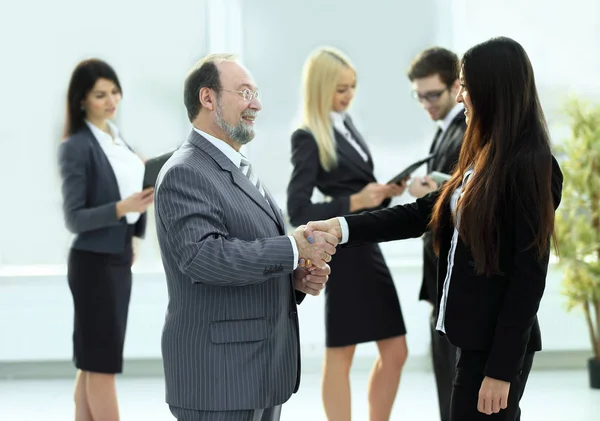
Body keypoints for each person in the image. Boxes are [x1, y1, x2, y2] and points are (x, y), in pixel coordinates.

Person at [302, 37, 563, 421]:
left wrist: (500, 372)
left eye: (467, 87)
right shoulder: (483, 155)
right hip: (468, 336)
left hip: (493, 350)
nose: (461, 98)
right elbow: (420, 213)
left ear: (493, 90)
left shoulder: (532, 167)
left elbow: (528, 279)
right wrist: (341, 228)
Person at [153, 53, 338, 421]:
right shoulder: (185, 172)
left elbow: (245, 254)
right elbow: (204, 258)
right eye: (245, 92)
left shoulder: (235, 167)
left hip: (258, 371)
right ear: (208, 98)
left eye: (255, 92)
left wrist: (295, 278)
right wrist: (291, 248)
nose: (257, 104)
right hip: (219, 378)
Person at [286, 46, 407, 421]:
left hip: (365, 244)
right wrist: (355, 200)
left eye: (352, 86)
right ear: (320, 88)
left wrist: (381, 194)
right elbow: (299, 211)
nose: (348, 95)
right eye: (340, 88)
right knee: (342, 350)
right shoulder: (308, 135)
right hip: (345, 252)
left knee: (395, 349)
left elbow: (356, 188)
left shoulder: (346, 124)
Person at [58, 58, 154, 421]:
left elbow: (131, 196)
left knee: (92, 361)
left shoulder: (116, 138)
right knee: (101, 364)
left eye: (115, 91)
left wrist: (135, 218)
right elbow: (74, 218)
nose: (111, 100)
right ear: (82, 99)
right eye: (100, 95)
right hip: (93, 263)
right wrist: (121, 207)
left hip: (117, 257)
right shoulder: (76, 147)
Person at [406, 47, 467, 421]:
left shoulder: (464, 130)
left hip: (453, 278)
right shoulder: (446, 129)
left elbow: (461, 205)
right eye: (419, 96)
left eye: (433, 95)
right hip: (440, 277)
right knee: (446, 381)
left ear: (456, 86)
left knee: (454, 381)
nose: (426, 103)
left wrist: (425, 196)